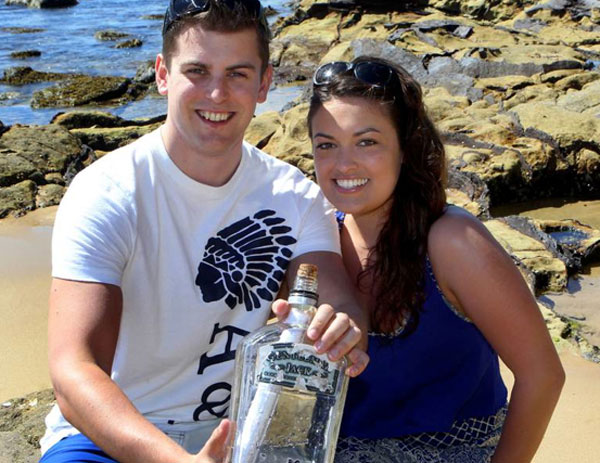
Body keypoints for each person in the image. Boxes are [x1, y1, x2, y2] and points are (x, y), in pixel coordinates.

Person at [39, 2, 369, 462]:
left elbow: (337, 301)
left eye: (237, 73)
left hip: (243, 436)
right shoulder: (108, 192)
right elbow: (74, 372)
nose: (217, 94)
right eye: (197, 70)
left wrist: (342, 329)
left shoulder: (294, 195)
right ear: (162, 75)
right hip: (109, 436)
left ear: (264, 83)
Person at [307, 56, 565, 463]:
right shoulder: (317, 237)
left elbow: (543, 375)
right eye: (326, 145)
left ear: (406, 147)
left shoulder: (451, 241)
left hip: (458, 451)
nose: (343, 164)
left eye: (367, 141)